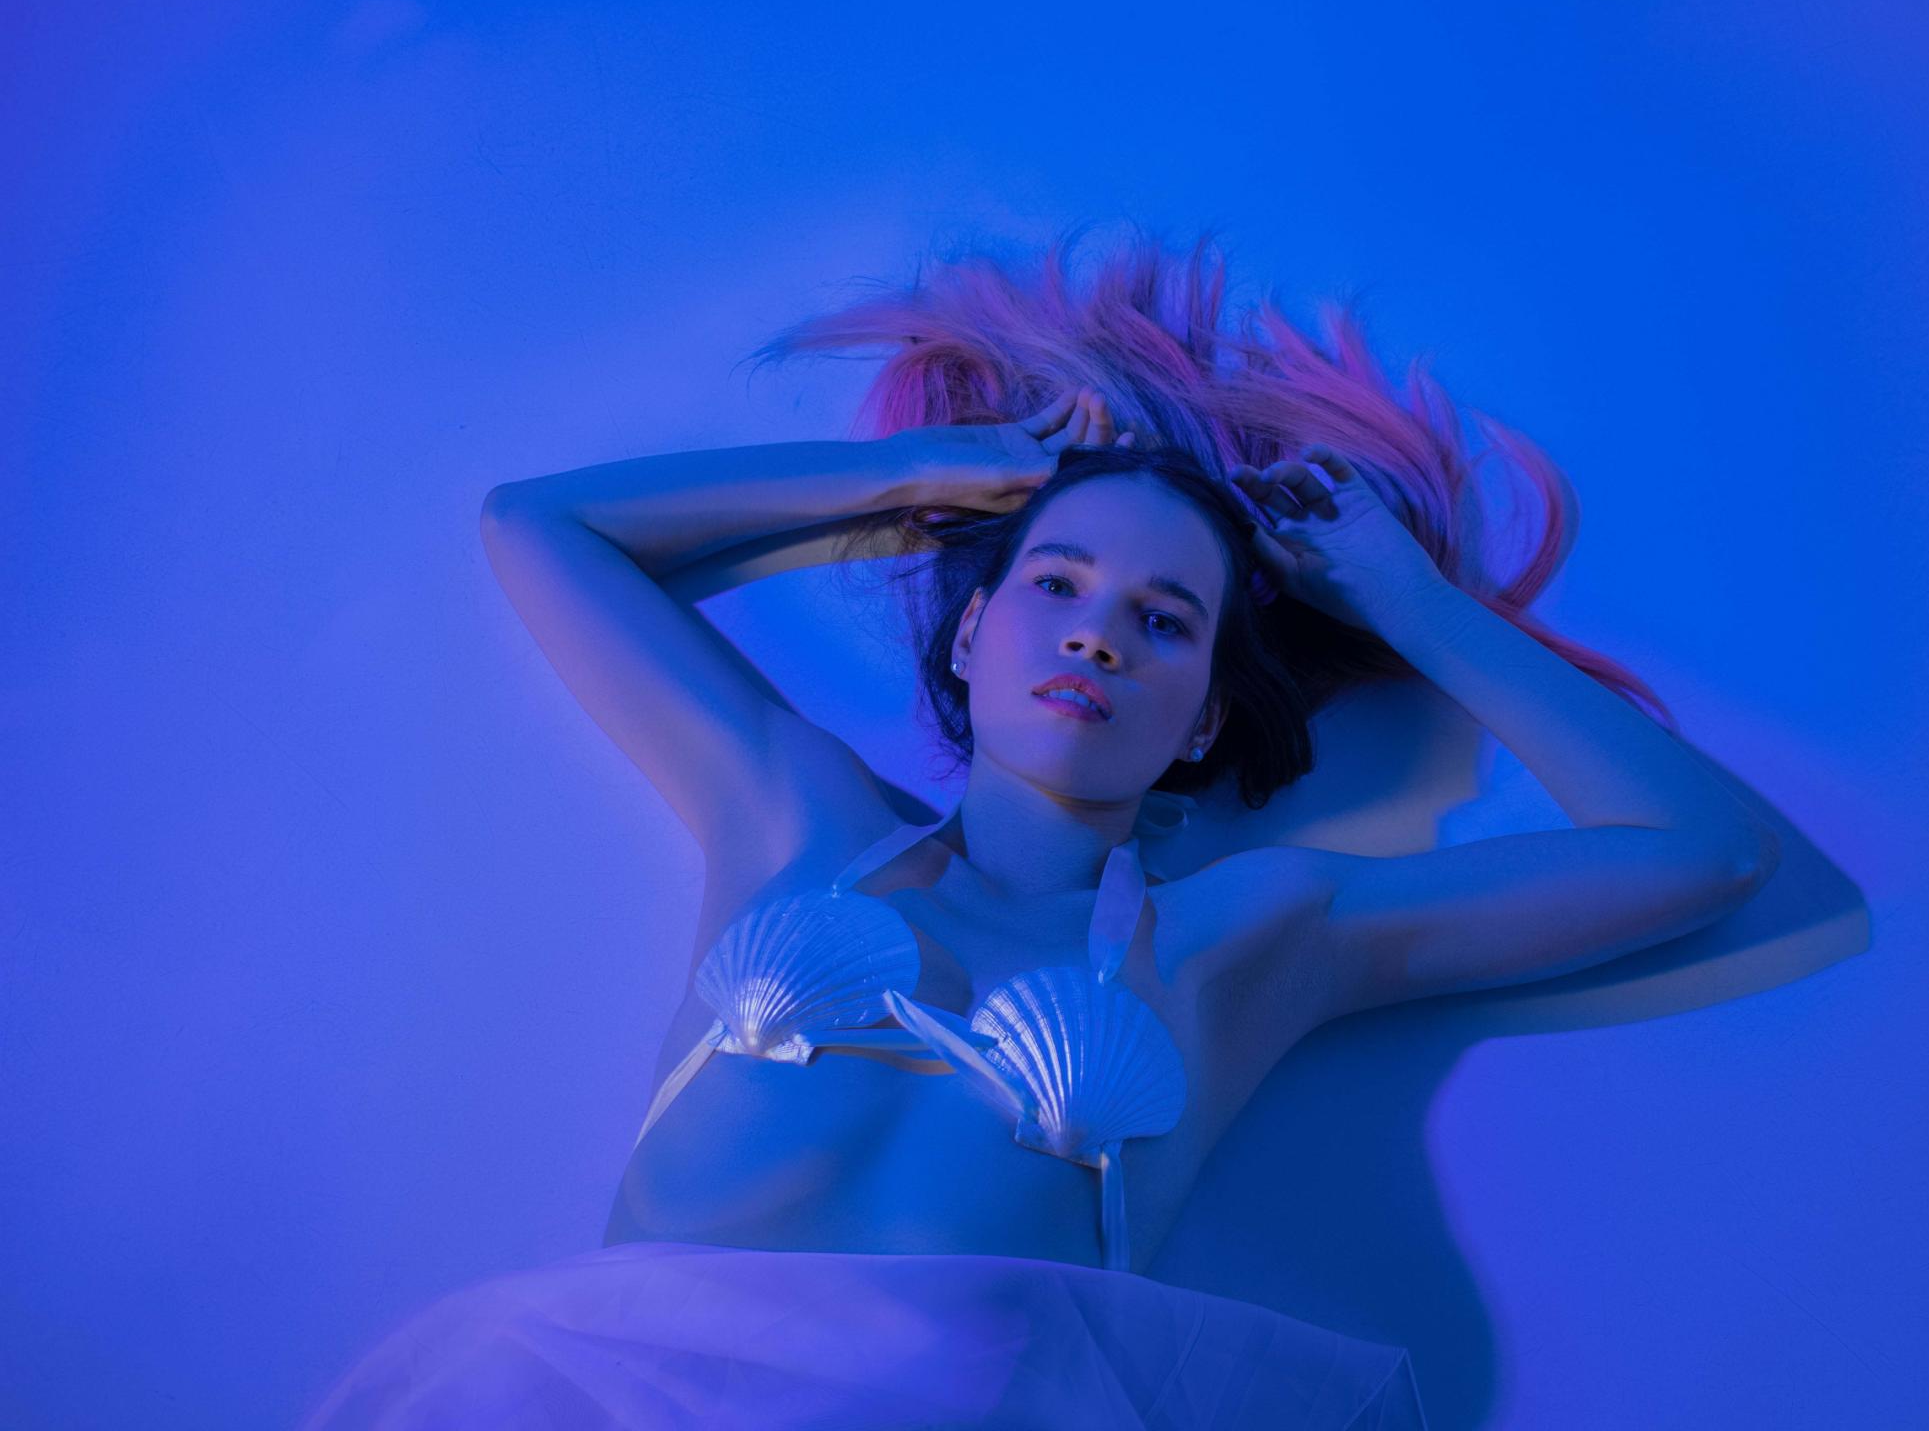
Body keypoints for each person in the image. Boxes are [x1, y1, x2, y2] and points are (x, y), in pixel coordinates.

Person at [300, 238, 1780, 1428]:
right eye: (1057, 584)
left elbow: (1704, 854)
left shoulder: (1232, 944)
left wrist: (1403, 599)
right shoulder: (793, 813)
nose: (1097, 637)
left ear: (1202, 717)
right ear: (970, 639)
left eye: (1164, 619)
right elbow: (538, 528)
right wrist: (919, 480)